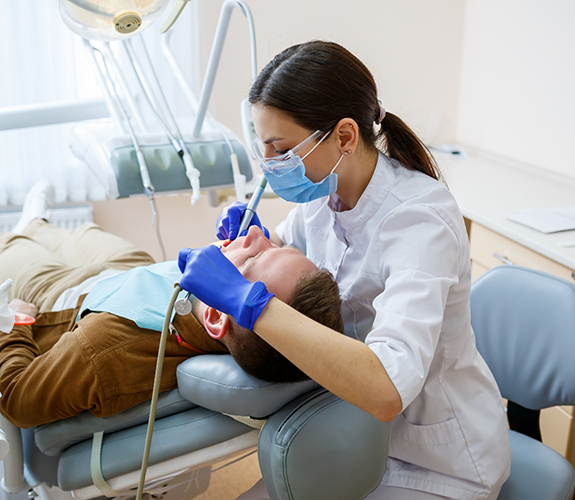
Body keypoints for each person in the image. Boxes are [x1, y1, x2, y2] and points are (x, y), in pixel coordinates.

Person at [178, 41, 511, 500]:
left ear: (345, 136)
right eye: (264, 150)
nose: (272, 166)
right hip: (350, 434)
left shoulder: (419, 222)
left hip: (436, 460)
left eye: (282, 150)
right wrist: (259, 241)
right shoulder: (324, 198)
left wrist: (250, 304)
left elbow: (387, 388)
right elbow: (289, 251)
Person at [0, 180, 344, 429]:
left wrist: (14, 324)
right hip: (131, 270)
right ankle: (40, 225)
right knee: (83, 233)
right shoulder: (222, 310)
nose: (258, 236)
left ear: (214, 315)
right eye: (278, 246)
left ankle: (28, 227)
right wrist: (246, 253)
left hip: (67, 299)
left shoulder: (101, 350)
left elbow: (17, 398)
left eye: (255, 257)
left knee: (16, 248)